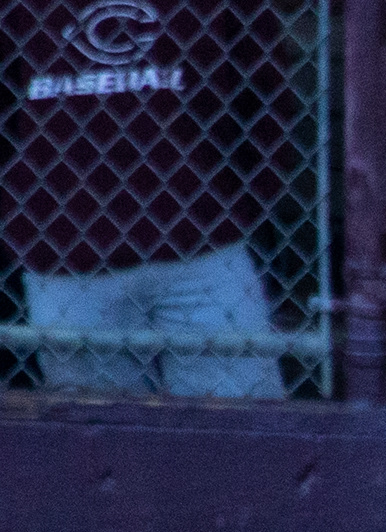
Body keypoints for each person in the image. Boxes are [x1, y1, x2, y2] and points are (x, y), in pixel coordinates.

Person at [2, 0, 293, 397]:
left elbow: (266, 99)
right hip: (66, 252)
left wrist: (234, 210)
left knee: (240, 422)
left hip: (203, 246)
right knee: (97, 430)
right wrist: (25, 217)